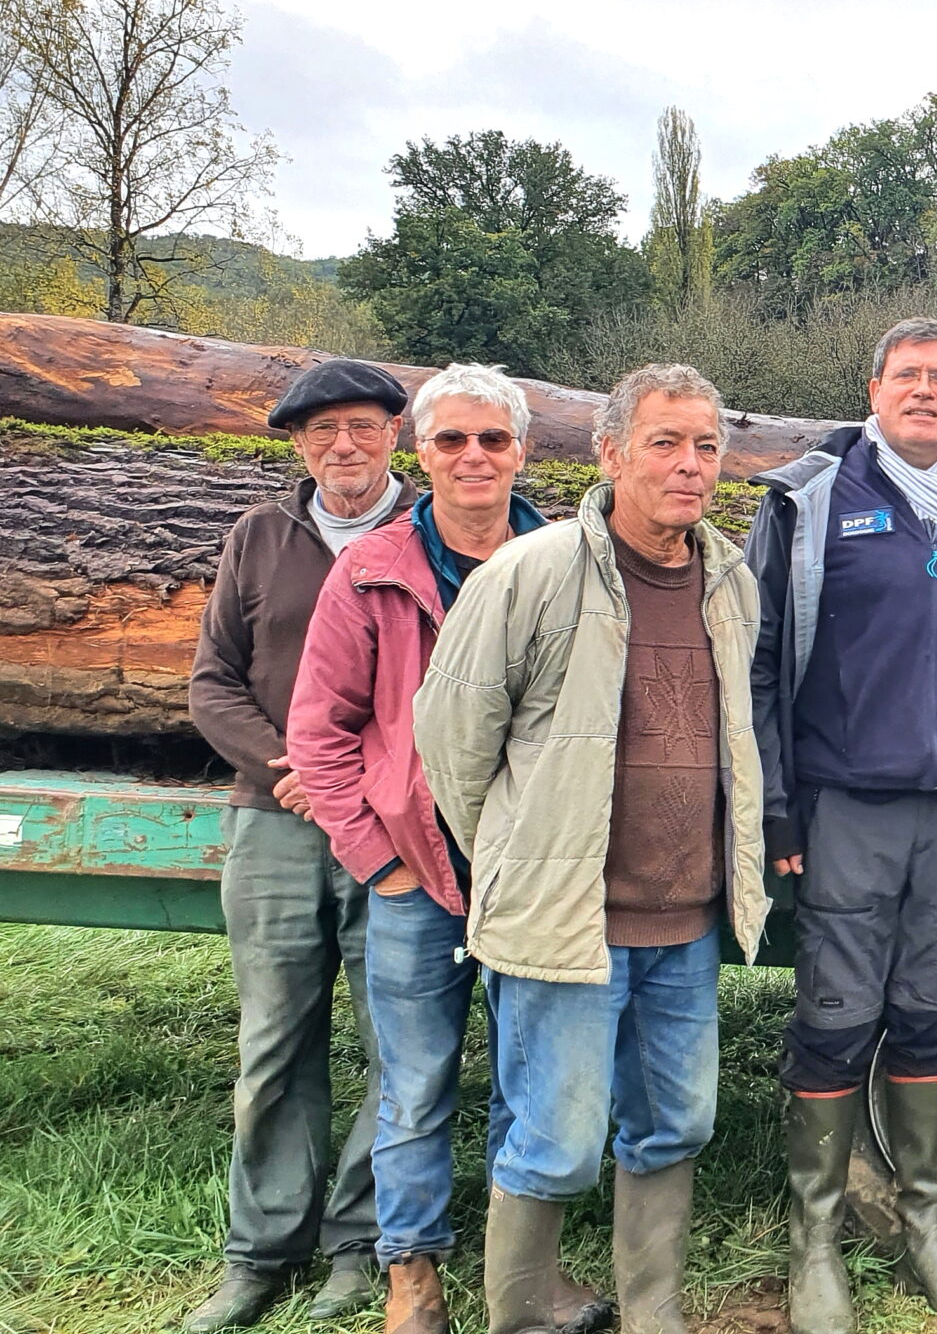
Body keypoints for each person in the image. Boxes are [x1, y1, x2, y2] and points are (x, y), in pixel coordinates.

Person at [414, 364, 770, 1334]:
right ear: (610, 454)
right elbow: (451, 736)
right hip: (569, 925)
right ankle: (521, 1317)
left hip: (687, 922)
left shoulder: (732, 581)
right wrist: (515, 855)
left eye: (705, 445)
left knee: (676, 1126)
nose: (689, 465)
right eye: (665, 442)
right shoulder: (530, 574)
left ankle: (654, 1314)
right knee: (557, 1144)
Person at [285, 365, 595, 1334]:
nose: (473, 457)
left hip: (533, 873)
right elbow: (319, 734)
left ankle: (518, 1285)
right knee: (414, 1088)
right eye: (452, 440)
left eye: (492, 440)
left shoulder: (569, 562)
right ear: (421, 453)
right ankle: (411, 1278)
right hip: (416, 878)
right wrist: (378, 860)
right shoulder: (372, 570)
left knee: (525, 1082)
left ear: (521, 451)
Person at [744, 319, 937, 1333]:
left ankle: (925, 1229)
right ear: (872, 388)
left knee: (931, 1014)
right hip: (843, 803)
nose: (923, 391)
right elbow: (760, 658)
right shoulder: (809, 499)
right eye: (905, 375)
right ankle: (814, 1240)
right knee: (835, 1016)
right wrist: (776, 802)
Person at [183, 357, 414, 1332]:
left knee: (395, 1047)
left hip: (397, 834)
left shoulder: (431, 537)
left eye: (361, 427)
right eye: (322, 432)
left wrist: (372, 783)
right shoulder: (259, 538)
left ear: (393, 434)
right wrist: (291, 767)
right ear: (297, 443)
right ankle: (259, 1252)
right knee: (275, 1042)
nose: (343, 446)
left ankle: (359, 1245)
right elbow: (211, 683)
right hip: (274, 822)